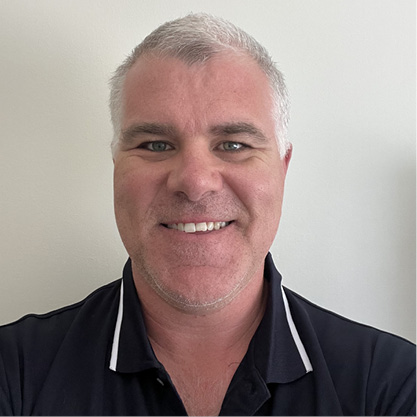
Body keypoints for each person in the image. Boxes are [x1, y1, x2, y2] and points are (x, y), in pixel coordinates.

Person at [0, 13, 415, 416]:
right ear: (116, 166)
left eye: (233, 145)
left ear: (282, 168)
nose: (195, 182)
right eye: (156, 144)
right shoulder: (13, 371)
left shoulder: (391, 386)